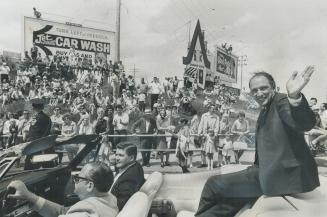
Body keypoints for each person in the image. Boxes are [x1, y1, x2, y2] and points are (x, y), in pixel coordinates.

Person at [196, 66, 319, 217]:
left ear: (273, 87)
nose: (259, 93)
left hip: (281, 176)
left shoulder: (281, 101)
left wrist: (294, 98)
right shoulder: (266, 108)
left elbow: (304, 123)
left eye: (263, 88)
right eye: (254, 90)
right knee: (228, 203)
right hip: (268, 172)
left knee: (213, 184)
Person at [7, 162, 118, 217]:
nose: (74, 180)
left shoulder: (85, 212)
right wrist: (29, 196)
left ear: (89, 186)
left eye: (77, 178)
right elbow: (64, 212)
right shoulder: (110, 199)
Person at [110, 142, 145, 211]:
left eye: (121, 155)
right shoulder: (135, 165)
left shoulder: (129, 179)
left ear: (131, 158)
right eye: (116, 154)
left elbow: (120, 205)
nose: (117, 158)